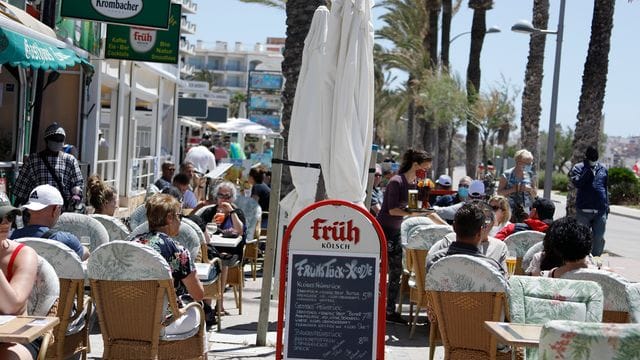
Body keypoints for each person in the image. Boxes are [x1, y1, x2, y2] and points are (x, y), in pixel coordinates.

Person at [376, 149, 437, 324]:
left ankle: (389, 311)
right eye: (425, 167)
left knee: (395, 273)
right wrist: (413, 213)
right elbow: (392, 210)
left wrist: (444, 224)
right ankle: (376, 308)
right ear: (416, 164)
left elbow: (423, 208)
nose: (426, 171)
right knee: (381, 272)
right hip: (384, 232)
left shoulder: (414, 184)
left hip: (395, 232)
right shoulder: (396, 182)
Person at [131, 194, 204, 309]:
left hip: (129, 312)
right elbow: (198, 294)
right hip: (162, 319)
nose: (181, 222)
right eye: (179, 216)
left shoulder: (132, 244)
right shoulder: (177, 251)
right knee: (198, 310)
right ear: (170, 217)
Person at [0, 192, 39, 360]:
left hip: (15, 339)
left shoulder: (24, 255)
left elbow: (11, 306)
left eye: (9, 217)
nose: (5, 223)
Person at [199, 182, 247, 315]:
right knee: (209, 259)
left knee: (222, 261)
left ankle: (218, 304)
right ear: (216, 197)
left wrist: (231, 212)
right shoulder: (210, 211)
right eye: (221, 195)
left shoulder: (236, 212)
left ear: (232, 198)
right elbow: (199, 228)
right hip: (211, 248)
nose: (224, 199)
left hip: (232, 251)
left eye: (227, 196)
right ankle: (207, 304)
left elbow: (240, 231)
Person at [13, 123, 84, 211]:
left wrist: (76, 195)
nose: (58, 141)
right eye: (54, 138)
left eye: (60, 139)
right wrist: (16, 212)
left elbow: (77, 183)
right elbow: (21, 190)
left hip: (62, 212)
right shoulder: (33, 160)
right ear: (46, 140)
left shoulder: (70, 160)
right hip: (37, 211)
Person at [11, 185, 89, 260]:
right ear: (56, 209)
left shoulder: (11, 237)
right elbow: (86, 254)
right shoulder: (66, 241)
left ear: (29, 209)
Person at [427, 201, 507, 275]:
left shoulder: (434, 261)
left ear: (454, 227)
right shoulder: (493, 268)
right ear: (480, 231)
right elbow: (503, 286)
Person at [569, 146, 609, 256]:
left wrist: (607, 207)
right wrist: (588, 169)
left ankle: (596, 260)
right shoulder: (578, 168)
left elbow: (605, 188)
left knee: (598, 237)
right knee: (581, 237)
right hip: (583, 210)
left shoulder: (603, 168)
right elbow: (578, 183)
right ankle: (581, 259)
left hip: (600, 210)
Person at [497, 149, 538, 215]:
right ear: (519, 162)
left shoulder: (531, 175)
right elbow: (499, 193)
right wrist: (514, 189)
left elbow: (535, 194)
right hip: (509, 211)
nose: (530, 165)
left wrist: (529, 189)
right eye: (528, 163)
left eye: (531, 163)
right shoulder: (507, 175)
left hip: (526, 212)